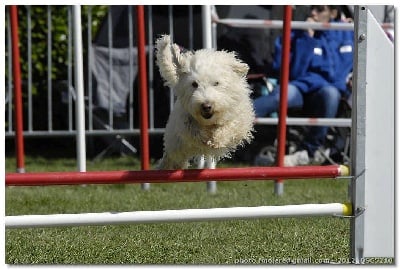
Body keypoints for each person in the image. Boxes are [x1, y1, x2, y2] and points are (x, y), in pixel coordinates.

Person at [253, 5, 354, 166]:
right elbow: (292, 72)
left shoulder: (348, 32)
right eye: (312, 8)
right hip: (301, 87)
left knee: (330, 93)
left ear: (333, 13)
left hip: (329, 93)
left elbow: (347, 70)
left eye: (320, 9)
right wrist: (308, 38)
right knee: (282, 94)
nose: (313, 13)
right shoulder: (297, 32)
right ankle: (230, 118)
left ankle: (307, 151)